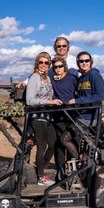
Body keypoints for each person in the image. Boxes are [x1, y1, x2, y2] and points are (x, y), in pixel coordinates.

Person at [26, 52, 62, 186]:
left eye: (46, 63)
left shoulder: (48, 78)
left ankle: (40, 169)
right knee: (42, 147)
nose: (43, 65)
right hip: (37, 117)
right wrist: (49, 102)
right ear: (37, 64)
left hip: (47, 118)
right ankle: (40, 177)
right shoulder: (35, 77)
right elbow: (29, 100)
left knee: (53, 144)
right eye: (41, 62)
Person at [50, 57, 78, 173]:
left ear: (64, 66)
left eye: (60, 66)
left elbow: (79, 91)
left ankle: (76, 167)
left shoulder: (72, 78)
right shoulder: (52, 80)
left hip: (72, 114)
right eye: (55, 67)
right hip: (58, 115)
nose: (58, 69)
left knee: (72, 140)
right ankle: (60, 171)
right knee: (60, 145)